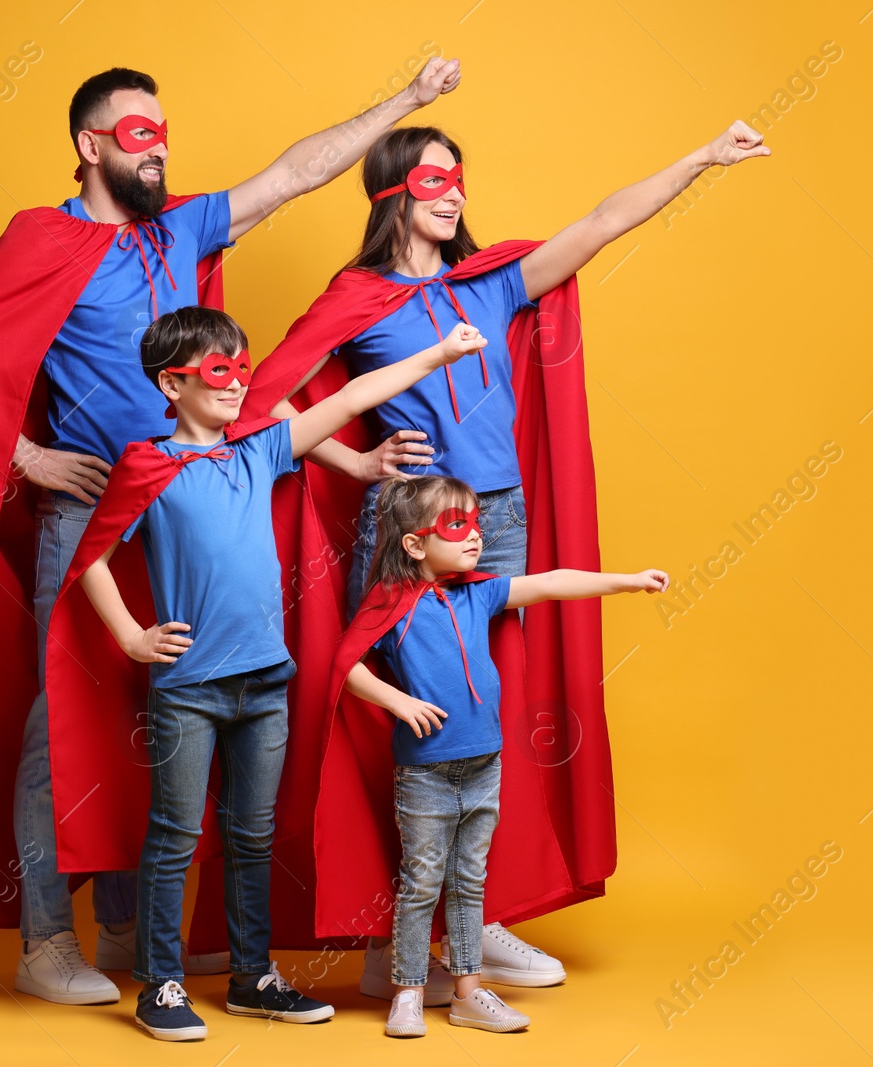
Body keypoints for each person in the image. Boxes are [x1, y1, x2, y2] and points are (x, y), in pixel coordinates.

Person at [0, 59, 465, 1006]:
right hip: (89, 517)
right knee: (60, 725)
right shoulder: (42, 239)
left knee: (158, 718)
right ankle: (48, 939)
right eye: (139, 132)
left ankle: (141, 934)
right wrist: (28, 458)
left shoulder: (179, 227)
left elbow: (294, 174)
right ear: (90, 145)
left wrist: (409, 103)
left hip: (185, 515)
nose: (160, 146)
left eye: (164, 130)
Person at [242, 119, 769, 997]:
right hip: (411, 521)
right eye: (434, 181)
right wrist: (357, 460)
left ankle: (476, 922)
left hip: (500, 520)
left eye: (460, 180)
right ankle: (389, 940)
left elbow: (602, 222)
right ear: (391, 195)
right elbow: (263, 403)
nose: (454, 194)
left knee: (484, 710)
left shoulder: (491, 285)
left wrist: (701, 158)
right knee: (401, 721)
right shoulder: (358, 296)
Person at [71, 308, 488, 1040]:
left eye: (241, 364)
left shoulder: (259, 449)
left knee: (252, 834)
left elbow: (350, 401)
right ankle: (160, 982)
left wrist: (437, 353)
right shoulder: (148, 464)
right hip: (188, 689)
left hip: (266, 684)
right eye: (217, 370)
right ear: (172, 383)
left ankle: (251, 976)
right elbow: (92, 562)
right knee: (174, 832)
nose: (237, 382)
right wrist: (134, 636)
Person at [332, 475, 668, 1035]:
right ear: (414, 543)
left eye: (476, 525)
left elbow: (551, 583)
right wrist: (397, 701)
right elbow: (344, 664)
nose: (475, 537)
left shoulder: (478, 591)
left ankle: (468, 992)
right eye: (456, 525)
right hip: (425, 772)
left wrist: (627, 582)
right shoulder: (391, 602)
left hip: (485, 765)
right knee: (421, 882)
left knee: (469, 882)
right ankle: (409, 992)